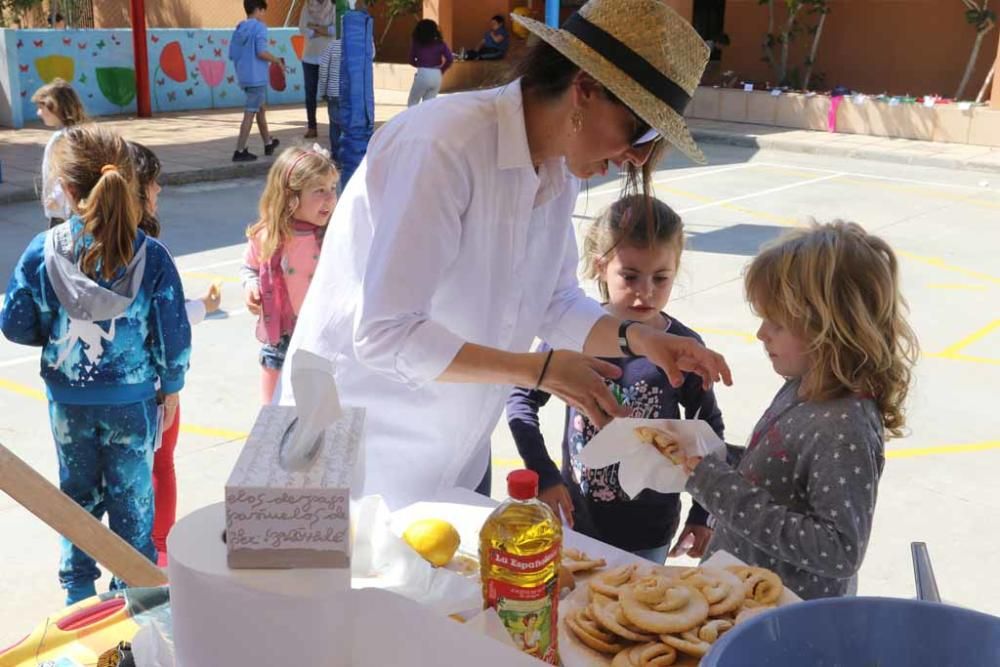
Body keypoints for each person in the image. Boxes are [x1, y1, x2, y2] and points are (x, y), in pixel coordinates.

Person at [279, 0, 730, 512]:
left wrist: (641, 340)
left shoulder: (558, 171)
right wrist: (536, 370)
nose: (639, 158)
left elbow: (553, 303)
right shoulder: (443, 145)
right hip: (355, 448)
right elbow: (386, 334)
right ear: (584, 88)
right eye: (642, 132)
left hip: (451, 451)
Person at [0, 126, 191, 604]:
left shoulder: (43, 252)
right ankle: (135, 599)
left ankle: (78, 594)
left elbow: (15, 322)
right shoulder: (151, 256)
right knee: (133, 502)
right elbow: (174, 338)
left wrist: (54, 332)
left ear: (66, 190)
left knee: (76, 500)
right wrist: (171, 384)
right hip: (133, 402)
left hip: (70, 404)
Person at [681, 221, 918, 600]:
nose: (761, 334)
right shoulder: (804, 386)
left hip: (782, 620)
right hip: (742, 594)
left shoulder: (845, 427)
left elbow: (839, 550)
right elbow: (781, 473)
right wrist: (718, 458)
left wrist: (715, 485)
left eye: (776, 323)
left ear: (829, 328)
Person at [507, 195, 723, 564]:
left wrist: (702, 512)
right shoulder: (571, 332)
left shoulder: (683, 349)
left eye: (660, 277)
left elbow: (708, 427)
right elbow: (521, 400)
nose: (645, 291)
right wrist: (543, 474)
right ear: (600, 267)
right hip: (575, 520)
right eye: (630, 276)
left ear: (677, 269)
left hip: (650, 530)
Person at [128, 141, 222, 566]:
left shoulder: (74, 244)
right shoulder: (149, 250)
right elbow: (171, 328)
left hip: (99, 391)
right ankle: (159, 554)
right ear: (138, 189)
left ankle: (108, 564)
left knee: (113, 480)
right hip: (151, 386)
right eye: (154, 181)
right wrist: (172, 387)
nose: (160, 189)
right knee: (160, 465)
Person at [241, 146, 339, 404]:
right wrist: (250, 285)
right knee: (275, 422)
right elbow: (250, 267)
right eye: (319, 190)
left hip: (322, 341)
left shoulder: (334, 235)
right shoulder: (267, 235)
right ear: (290, 197)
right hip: (279, 342)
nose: (330, 198)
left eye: (332, 188)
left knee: (323, 422)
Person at [229, 0, 284, 163]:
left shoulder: (240, 28)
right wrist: (276, 60)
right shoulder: (260, 27)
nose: (264, 15)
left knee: (260, 109)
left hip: (244, 75)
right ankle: (239, 150)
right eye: (263, 11)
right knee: (250, 112)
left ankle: (268, 143)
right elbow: (261, 52)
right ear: (258, 10)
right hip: (256, 76)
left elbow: (233, 54)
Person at [31, 78, 88, 228]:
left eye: (41, 108)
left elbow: (67, 171)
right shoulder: (77, 133)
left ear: (54, 107)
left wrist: (57, 197)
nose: (38, 113)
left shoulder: (63, 138)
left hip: (64, 213)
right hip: (68, 209)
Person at [337, 0, 375, 187]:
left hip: (359, 121)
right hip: (357, 122)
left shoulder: (359, 24)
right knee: (357, 128)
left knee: (358, 129)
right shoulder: (355, 25)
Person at [298, 0, 337, 139]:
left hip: (329, 56)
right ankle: (312, 127)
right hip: (309, 57)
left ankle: (335, 126)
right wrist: (324, 29)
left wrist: (314, 27)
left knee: (331, 94)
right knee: (310, 94)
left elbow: (335, 30)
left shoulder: (333, 6)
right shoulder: (306, 7)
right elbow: (303, 29)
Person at [407, 19, 453, 107]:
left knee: (412, 102)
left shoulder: (417, 43)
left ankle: (412, 121)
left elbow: (410, 59)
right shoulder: (440, 43)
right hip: (437, 75)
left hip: (423, 73)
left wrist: (420, 66)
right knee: (429, 105)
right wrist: (441, 70)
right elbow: (450, 59)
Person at [317, 34, 343, 161]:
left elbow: (323, 69)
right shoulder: (362, 46)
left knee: (335, 126)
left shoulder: (333, 46)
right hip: (354, 94)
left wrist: (322, 91)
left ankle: (337, 157)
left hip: (334, 93)